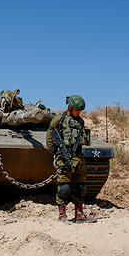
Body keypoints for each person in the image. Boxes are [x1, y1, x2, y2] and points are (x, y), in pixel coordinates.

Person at [46, 94, 96, 223]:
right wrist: (56, 153)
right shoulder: (58, 120)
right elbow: (50, 138)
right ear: (70, 107)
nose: (78, 112)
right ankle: (62, 215)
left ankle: (79, 214)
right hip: (65, 157)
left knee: (80, 186)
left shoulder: (80, 121)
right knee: (65, 187)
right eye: (77, 110)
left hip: (78, 157)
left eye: (80, 110)